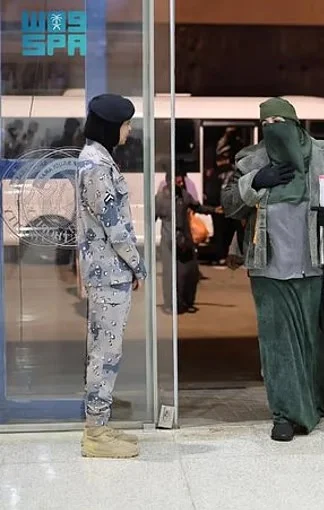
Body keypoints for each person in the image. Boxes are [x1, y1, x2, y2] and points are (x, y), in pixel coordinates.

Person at [221, 97, 324, 442]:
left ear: (295, 124)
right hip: (267, 268)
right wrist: (255, 181)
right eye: (266, 125)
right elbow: (228, 206)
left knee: (315, 343)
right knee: (277, 344)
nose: (273, 129)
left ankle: (314, 405)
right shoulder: (250, 160)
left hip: (317, 265)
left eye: (279, 122)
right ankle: (284, 415)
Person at [76, 93, 146, 458]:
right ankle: (96, 434)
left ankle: (100, 425)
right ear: (110, 126)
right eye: (126, 124)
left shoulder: (97, 160)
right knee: (105, 354)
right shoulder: (96, 167)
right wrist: (137, 264)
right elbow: (115, 227)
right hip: (109, 273)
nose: (129, 130)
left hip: (108, 271)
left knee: (104, 350)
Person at [156, 169, 222, 314]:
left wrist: (214, 210)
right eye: (177, 180)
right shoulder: (160, 199)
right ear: (169, 181)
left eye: (181, 180)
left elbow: (197, 207)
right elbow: (150, 219)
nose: (180, 183)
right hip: (169, 241)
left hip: (185, 239)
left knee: (190, 272)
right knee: (170, 275)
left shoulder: (184, 195)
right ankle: (170, 304)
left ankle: (187, 302)